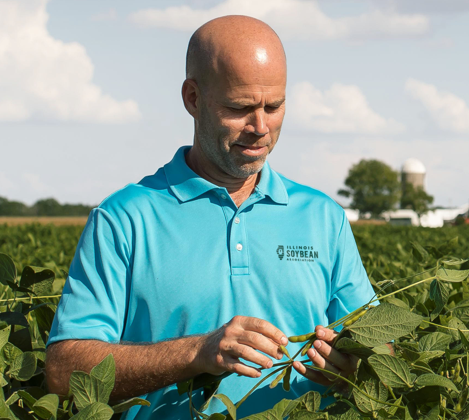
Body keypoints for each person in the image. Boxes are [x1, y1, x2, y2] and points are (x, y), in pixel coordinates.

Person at [44, 15, 376, 419]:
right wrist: (196, 352)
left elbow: (379, 347)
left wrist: (352, 366)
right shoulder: (125, 218)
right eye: (239, 108)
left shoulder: (323, 217)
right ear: (193, 98)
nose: (260, 127)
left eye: (274, 106)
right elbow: (64, 372)